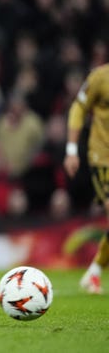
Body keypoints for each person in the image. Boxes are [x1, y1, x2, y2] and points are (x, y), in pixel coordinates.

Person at [64, 63, 109, 294]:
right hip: (104, 158)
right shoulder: (100, 77)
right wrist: (71, 150)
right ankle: (94, 273)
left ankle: (94, 272)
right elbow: (78, 108)